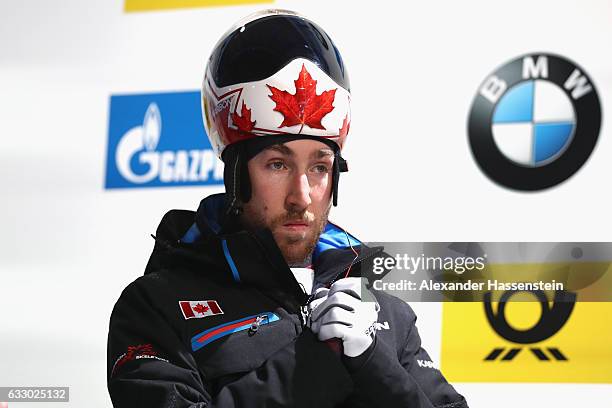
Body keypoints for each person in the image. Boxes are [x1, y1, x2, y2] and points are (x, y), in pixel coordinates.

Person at [107, 9, 468, 408]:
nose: (302, 196)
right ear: (236, 171)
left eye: (319, 167)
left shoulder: (385, 313)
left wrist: (372, 363)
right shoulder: (155, 307)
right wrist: (320, 359)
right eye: (277, 164)